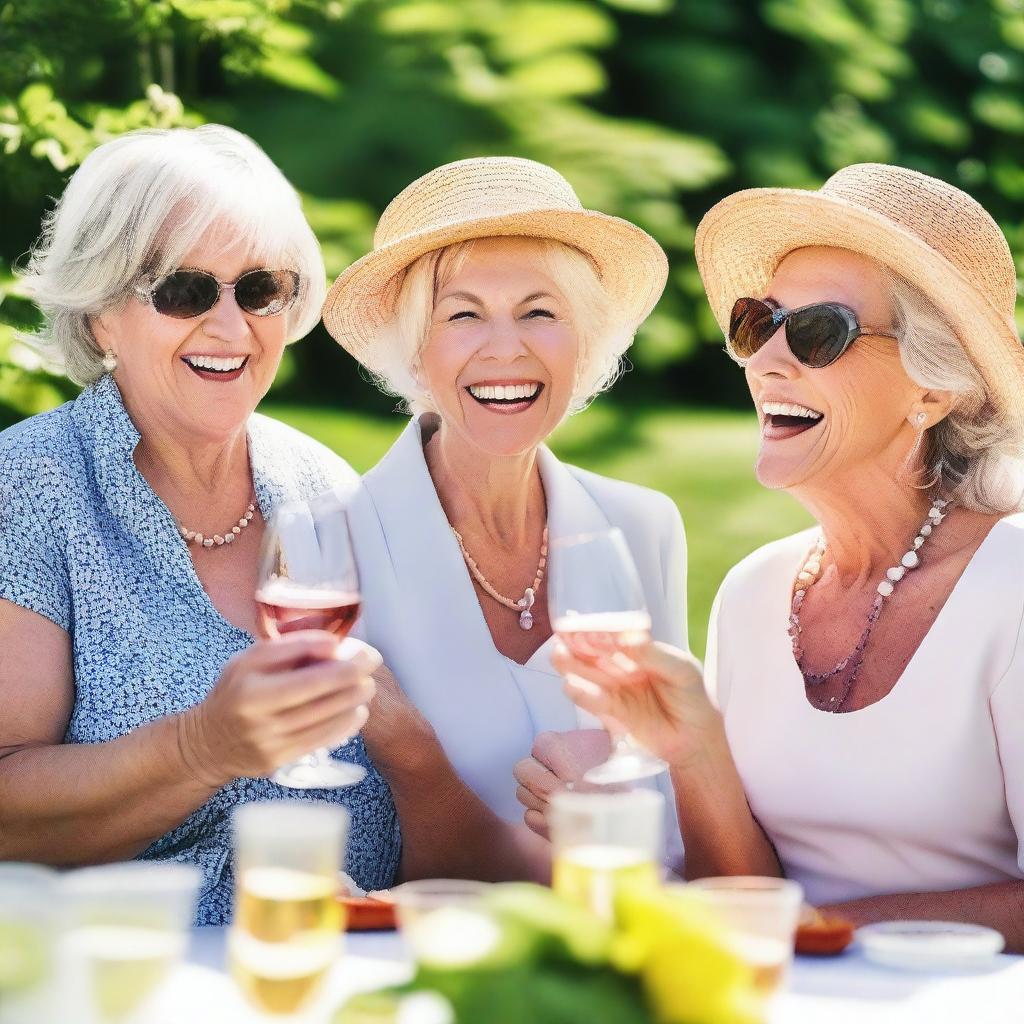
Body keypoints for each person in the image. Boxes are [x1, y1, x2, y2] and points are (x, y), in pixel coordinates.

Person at [516, 163, 1024, 951]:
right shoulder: (755, 592)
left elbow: (772, 926)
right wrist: (693, 755)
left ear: (933, 389)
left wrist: (820, 931)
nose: (766, 361)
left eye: (821, 332)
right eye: (759, 323)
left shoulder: (1012, 582)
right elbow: (738, 897)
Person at [0, 125, 399, 925]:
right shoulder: (28, 487)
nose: (229, 327)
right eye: (184, 290)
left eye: (258, 289)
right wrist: (202, 747)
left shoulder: (325, 486)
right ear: (103, 314)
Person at [320, 157, 687, 872]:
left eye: (540, 312)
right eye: (462, 315)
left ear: (584, 341)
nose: (505, 348)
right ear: (415, 351)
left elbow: (676, 815)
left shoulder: (643, 527)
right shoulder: (332, 549)